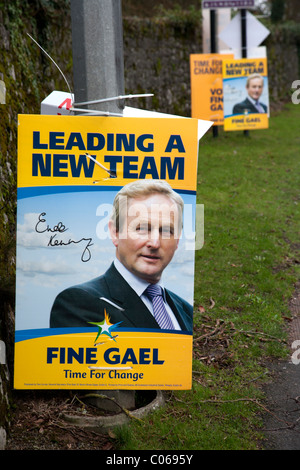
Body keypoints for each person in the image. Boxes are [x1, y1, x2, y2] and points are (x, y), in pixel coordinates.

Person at [49, 180, 193, 332]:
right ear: (115, 232)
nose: (155, 243)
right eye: (142, 228)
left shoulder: (187, 312)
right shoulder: (78, 303)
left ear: (177, 239)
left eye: (166, 231)